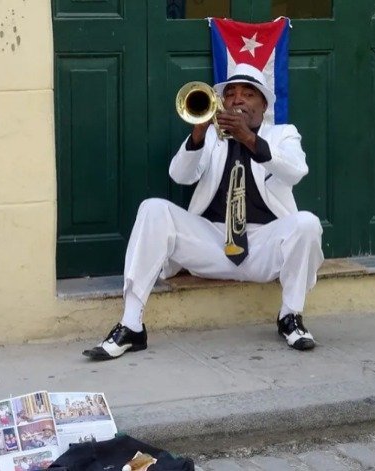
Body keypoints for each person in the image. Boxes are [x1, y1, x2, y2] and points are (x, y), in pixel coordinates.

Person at [82, 63, 324, 361]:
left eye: (248, 94)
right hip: (212, 242)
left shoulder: (283, 134)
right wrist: (198, 133)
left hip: (264, 246)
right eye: (231, 94)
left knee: (308, 224)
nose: (237, 99)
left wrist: (249, 139)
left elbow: (296, 171)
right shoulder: (212, 136)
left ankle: (290, 317)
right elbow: (179, 175)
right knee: (153, 208)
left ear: (263, 105)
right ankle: (131, 324)